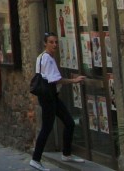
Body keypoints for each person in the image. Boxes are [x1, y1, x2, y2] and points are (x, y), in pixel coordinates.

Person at [30, 32, 86, 170]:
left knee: (69, 122)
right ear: (45, 43)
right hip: (48, 97)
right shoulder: (48, 59)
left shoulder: (42, 57)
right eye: (51, 42)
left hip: (51, 96)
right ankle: (36, 159)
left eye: (55, 42)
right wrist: (74, 80)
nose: (54, 45)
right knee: (47, 128)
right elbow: (55, 79)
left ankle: (66, 154)